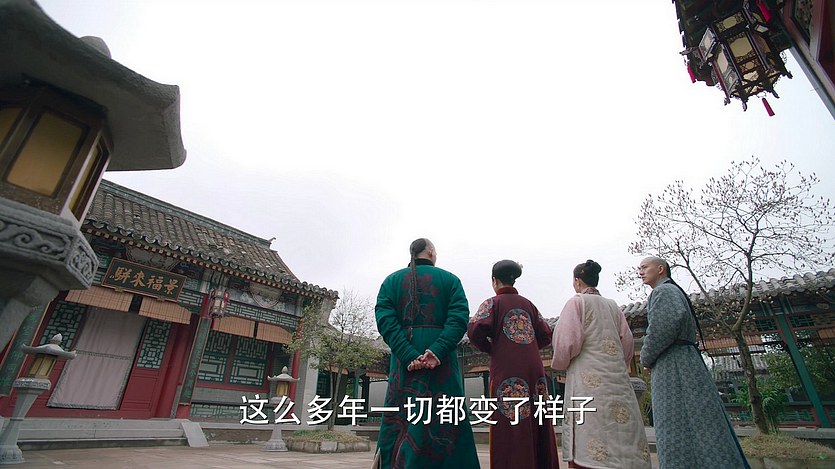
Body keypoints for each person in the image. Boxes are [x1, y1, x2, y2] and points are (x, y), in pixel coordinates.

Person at [372, 238, 480, 469]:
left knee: (402, 414)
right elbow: (458, 318)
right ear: (431, 252)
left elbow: (385, 320)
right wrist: (437, 350)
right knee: (445, 414)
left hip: (404, 362)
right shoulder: (450, 280)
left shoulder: (391, 281)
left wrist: (407, 353)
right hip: (441, 360)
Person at [638, 256, 749, 469]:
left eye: (645, 267)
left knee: (678, 421)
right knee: (699, 420)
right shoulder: (671, 291)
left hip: (674, 365)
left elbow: (661, 329)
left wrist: (646, 357)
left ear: (660, 269)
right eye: (639, 269)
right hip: (683, 361)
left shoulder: (663, 291)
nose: (640, 272)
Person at [551, 260, 652, 469]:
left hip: (587, 378)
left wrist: (560, 362)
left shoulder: (577, 302)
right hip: (617, 379)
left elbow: (566, 343)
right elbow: (627, 343)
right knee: (622, 428)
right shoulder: (612, 306)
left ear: (577, 281)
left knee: (591, 427)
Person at [467, 260, 559, 469]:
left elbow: (474, 331)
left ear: (494, 280)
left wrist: (493, 348)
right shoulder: (529, 305)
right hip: (534, 368)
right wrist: (528, 347)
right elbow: (546, 333)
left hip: (506, 367)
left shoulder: (492, 303)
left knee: (510, 420)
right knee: (537, 416)